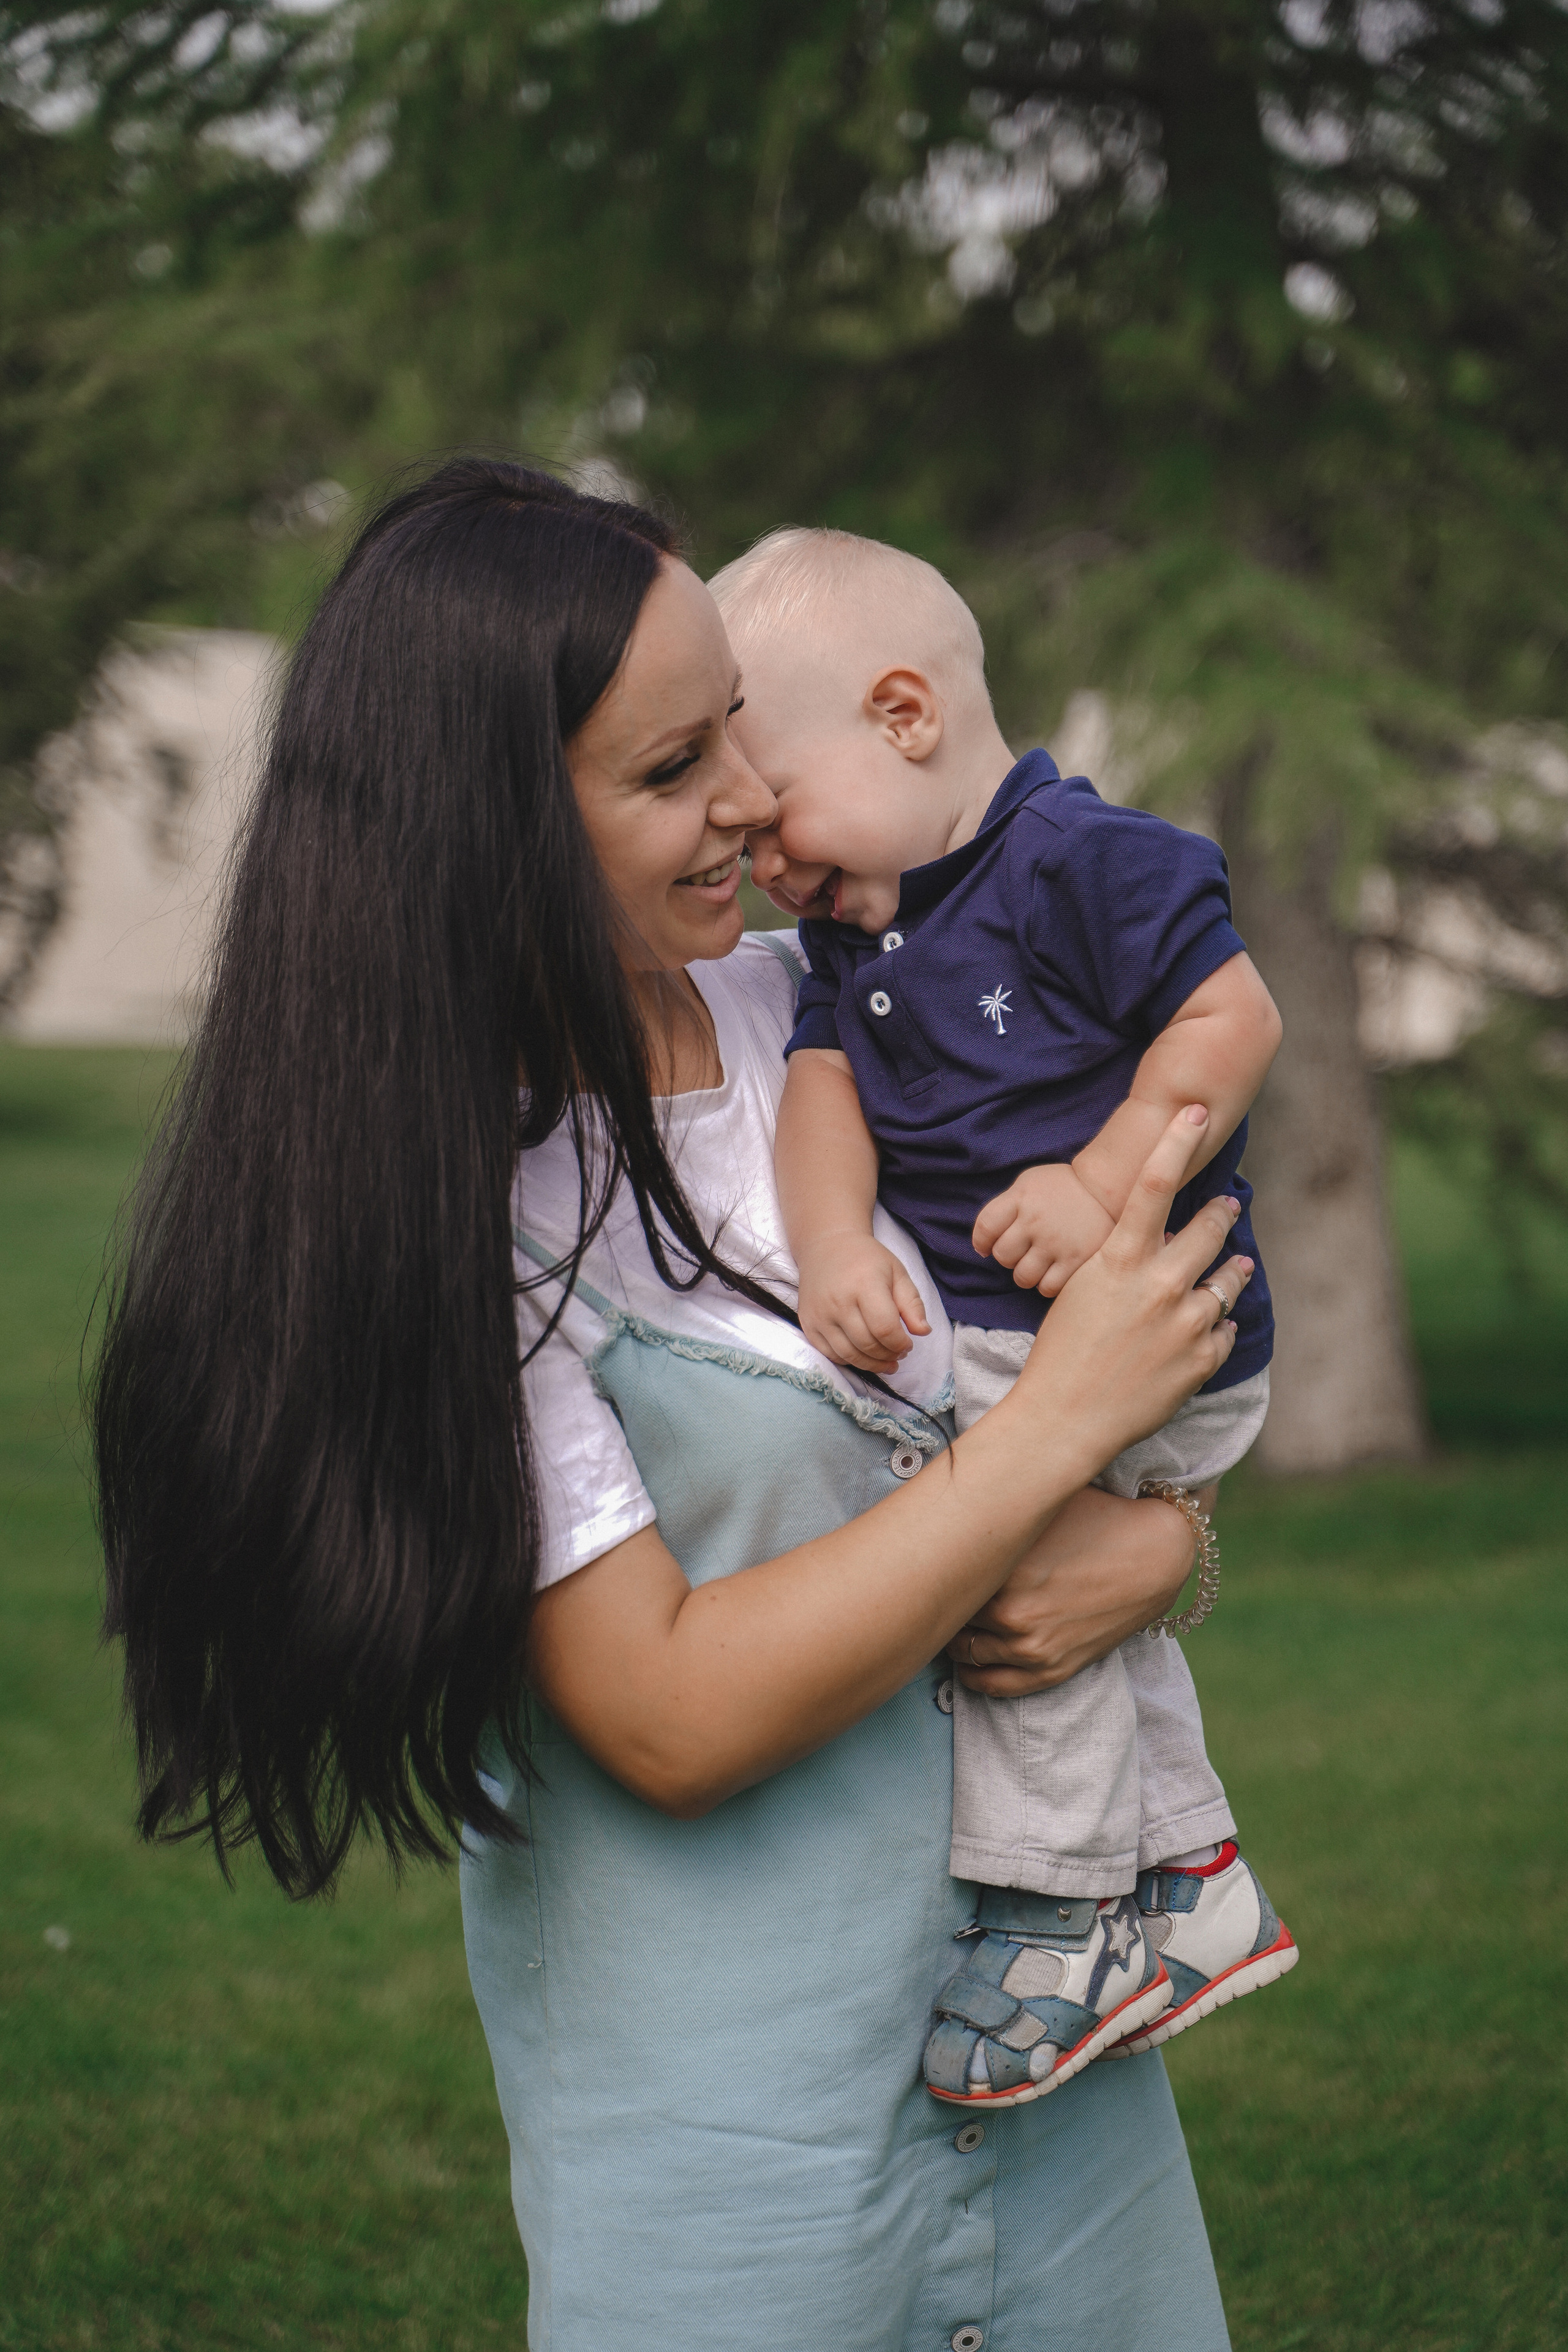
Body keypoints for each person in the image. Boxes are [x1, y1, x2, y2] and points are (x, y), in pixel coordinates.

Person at [94, 458, 1256, 2352]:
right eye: (665, 771)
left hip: (1055, 2057)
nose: (751, 796)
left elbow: (1119, 1348)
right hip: (746, 2160)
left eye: (733, 721)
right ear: (483, 831)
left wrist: (1168, 1539)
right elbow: (668, 1713)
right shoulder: (456, 1212)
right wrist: (1051, 1449)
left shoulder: (841, 1001)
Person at [719, 526, 1298, 2110]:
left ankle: (1061, 1918)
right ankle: (1192, 1883)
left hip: (1146, 1311)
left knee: (998, 1592)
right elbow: (827, 1086)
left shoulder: (1083, 859)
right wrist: (833, 1236)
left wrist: (1106, 1175)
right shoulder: (861, 921)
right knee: (1045, 1590)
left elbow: (1231, 1014)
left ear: (905, 716)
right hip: (1019, 1332)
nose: (771, 868)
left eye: (782, 822)